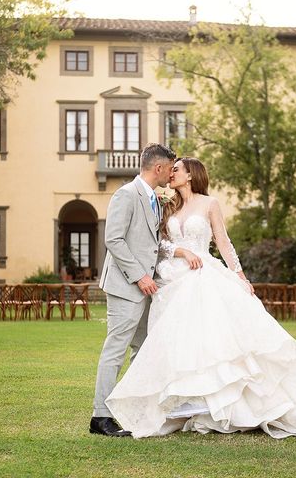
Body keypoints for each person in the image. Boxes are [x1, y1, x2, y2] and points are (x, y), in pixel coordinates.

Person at [105, 157, 296, 439]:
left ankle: (219, 404)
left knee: (212, 341)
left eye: (177, 169)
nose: (172, 173)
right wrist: (181, 252)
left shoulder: (210, 204)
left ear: (191, 175)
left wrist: (240, 276)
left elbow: (223, 242)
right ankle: (185, 403)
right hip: (172, 280)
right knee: (181, 342)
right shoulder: (168, 205)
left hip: (204, 275)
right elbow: (159, 243)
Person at [90, 143, 176, 437]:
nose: (171, 174)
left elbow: (150, 244)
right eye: (169, 168)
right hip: (127, 287)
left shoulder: (154, 199)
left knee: (143, 350)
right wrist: (140, 276)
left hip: (146, 289)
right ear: (158, 168)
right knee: (115, 350)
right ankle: (100, 417)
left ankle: (136, 412)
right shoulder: (126, 194)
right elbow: (113, 240)